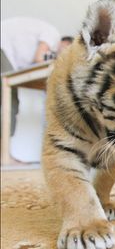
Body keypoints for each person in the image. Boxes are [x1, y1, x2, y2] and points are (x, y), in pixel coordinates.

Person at [1, 17, 72, 163]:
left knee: (7, 98)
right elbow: (39, 59)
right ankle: (4, 156)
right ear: (65, 43)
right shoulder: (53, 34)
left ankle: (4, 154)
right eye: (67, 51)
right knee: (9, 99)